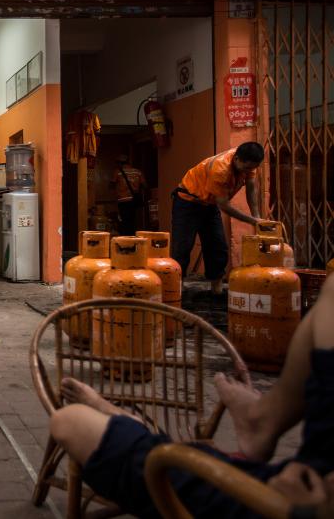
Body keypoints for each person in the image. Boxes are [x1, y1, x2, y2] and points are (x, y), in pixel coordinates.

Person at [48, 275, 334, 518]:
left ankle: (120, 417)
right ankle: (264, 419)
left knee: (71, 421)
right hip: (301, 481)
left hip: (277, 498)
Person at [171, 142, 265, 295]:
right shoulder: (220, 169)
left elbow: (251, 188)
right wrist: (251, 221)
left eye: (252, 168)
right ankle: (176, 291)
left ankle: (216, 290)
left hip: (209, 203)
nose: (249, 171)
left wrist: (257, 216)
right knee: (183, 246)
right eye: (246, 168)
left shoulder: (249, 162)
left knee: (217, 246)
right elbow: (224, 206)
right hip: (188, 202)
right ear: (236, 159)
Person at [110, 154, 147, 236]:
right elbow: (145, 185)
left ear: (120, 163)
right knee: (132, 221)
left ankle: (126, 239)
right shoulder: (138, 172)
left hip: (122, 200)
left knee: (124, 222)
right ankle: (132, 238)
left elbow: (111, 185)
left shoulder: (117, 172)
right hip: (134, 200)